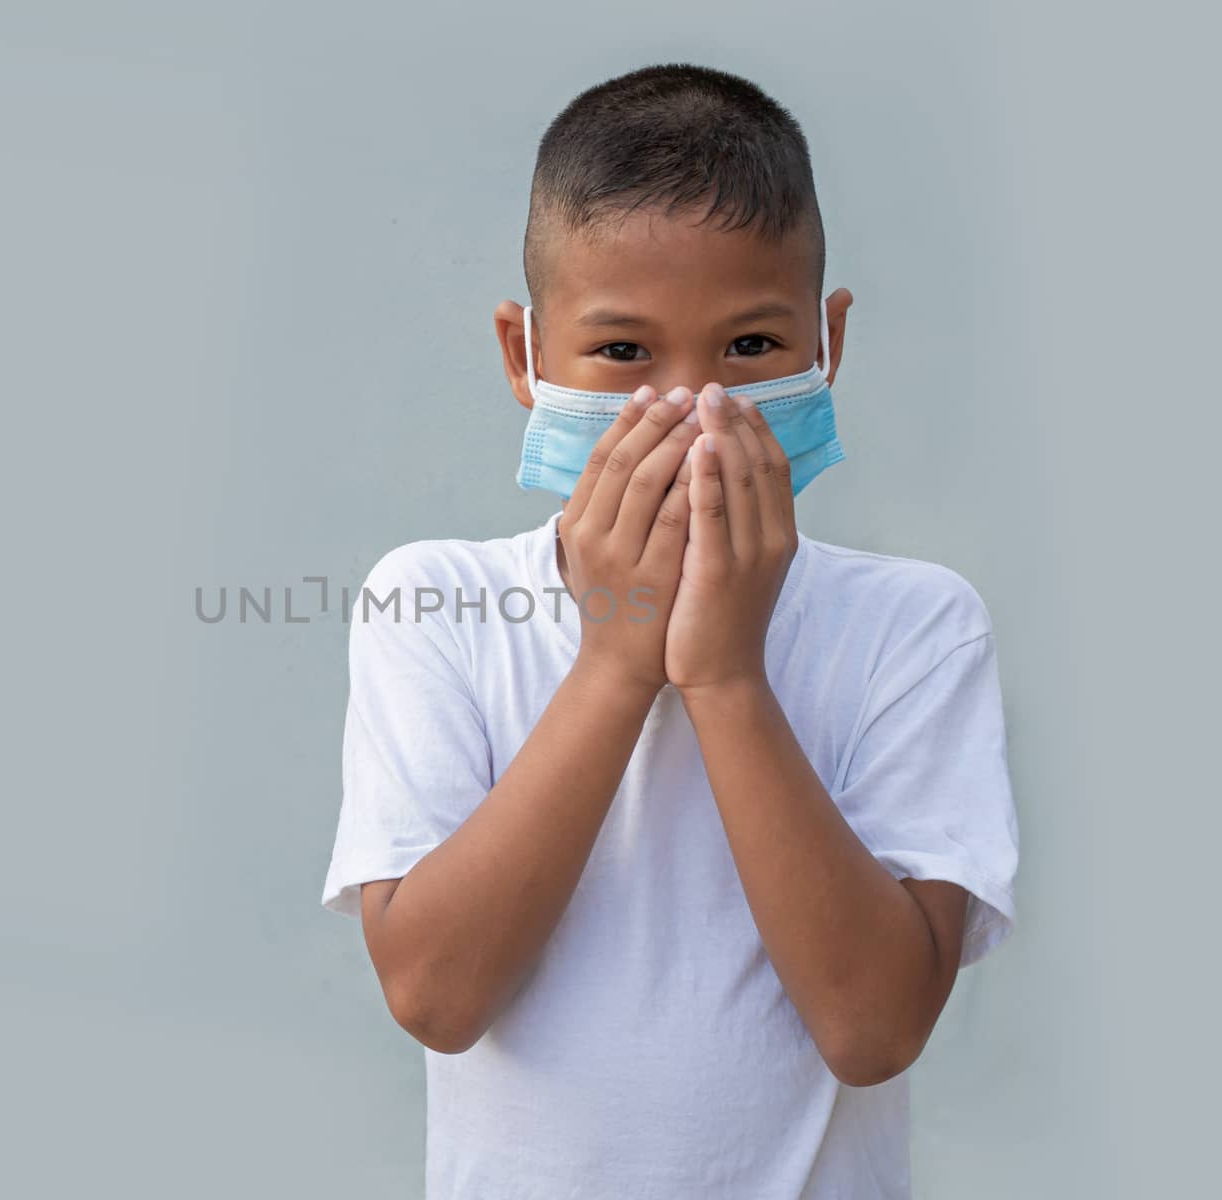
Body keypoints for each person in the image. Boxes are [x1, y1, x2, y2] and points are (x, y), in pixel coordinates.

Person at [319, 61, 1020, 1199]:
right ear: (524, 358)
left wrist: (728, 679)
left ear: (827, 343)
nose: (693, 410)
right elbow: (437, 1000)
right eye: (623, 353)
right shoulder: (433, 604)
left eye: (750, 348)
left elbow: (874, 1029)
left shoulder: (914, 627)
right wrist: (613, 659)